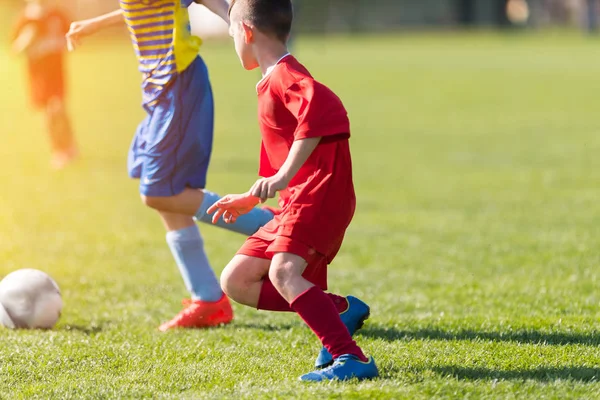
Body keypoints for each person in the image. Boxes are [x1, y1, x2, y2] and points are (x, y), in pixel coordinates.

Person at [65, 0, 274, 331]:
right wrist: (93, 26)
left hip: (178, 85)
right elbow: (140, 8)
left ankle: (272, 227)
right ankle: (207, 299)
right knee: (164, 193)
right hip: (158, 89)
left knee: (159, 192)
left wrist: (231, 20)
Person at [208, 0, 379, 381]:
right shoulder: (268, 80)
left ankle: (352, 360)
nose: (232, 39)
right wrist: (252, 197)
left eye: (232, 31)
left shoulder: (285, 74)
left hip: (318, 193)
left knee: (284, 273)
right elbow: (281, 155)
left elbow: (325, 108)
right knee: (236, 280)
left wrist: (284, 175)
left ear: (247, 33)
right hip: (295, 200)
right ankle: (337, 310)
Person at [12, 0, 77, 170]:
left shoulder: (56, 14)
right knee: (48, 113)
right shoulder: (25, 18)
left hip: (56, 73)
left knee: (57, 109)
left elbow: (72, 37)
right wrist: (25, 40)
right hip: (38, 76)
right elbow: (15, 49)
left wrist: (55, 44)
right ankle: (59, 150)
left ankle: (68, 146)